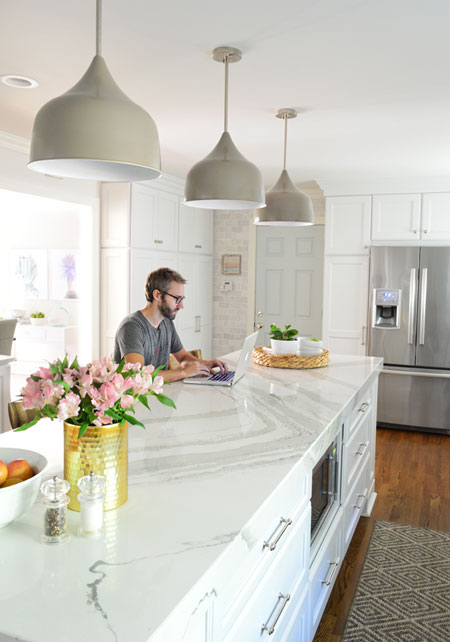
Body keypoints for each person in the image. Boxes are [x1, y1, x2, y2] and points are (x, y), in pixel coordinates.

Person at [113, 267, 227, 382]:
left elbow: (182, 357)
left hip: (160, 393)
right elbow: (138, 376)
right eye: (177, 299)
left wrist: (205, 364)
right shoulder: (131, 327)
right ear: (157, 295)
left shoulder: (166, 322)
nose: (181, 305)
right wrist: (184, 372)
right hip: (137, 398)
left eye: (182, 299)